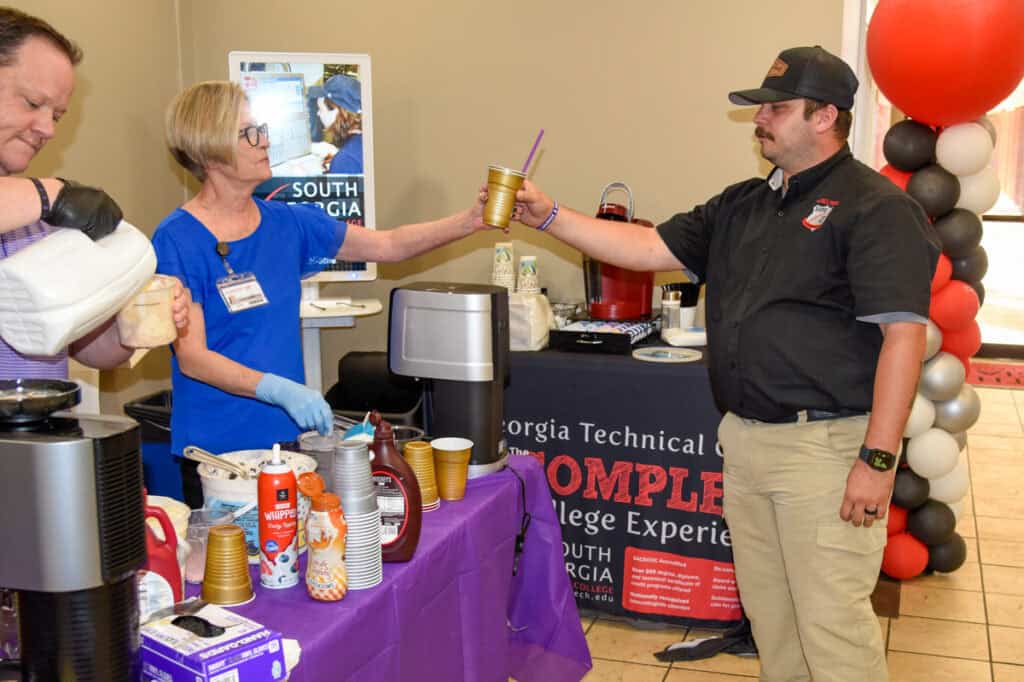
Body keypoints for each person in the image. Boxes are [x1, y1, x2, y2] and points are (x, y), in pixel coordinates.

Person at [515, 46, 938, 681]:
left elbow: (903, 337)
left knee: (832, 631)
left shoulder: (876, 208)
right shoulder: (745, 203)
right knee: (775, 624)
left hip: (825, 449)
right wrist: (550, 216)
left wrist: (878, 461)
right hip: (746, 440)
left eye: (776, 108)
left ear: (825, 117)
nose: (759, 119)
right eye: (760, 107)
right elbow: (646, 247)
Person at [154, 80, 497, 506]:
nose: (265, 141)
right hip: (218, 457)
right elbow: (192, 356)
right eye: (249, 133)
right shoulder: (178, 239)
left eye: (261, 129)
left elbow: (388, 245)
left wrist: (469, 221)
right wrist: (277, 389)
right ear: (209, 151)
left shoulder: (288, 223)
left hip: (287, 446)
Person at [0, 6, 188, 379]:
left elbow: (89, 347)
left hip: (40, 417)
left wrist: (137, 320)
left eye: (57, 116)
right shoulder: (44, 200)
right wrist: (53, 195)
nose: (48, 129)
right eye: (33, 103)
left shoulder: (38, 223)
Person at [309, 73, 363, 175]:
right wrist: (337, 153)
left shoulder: (346, 160)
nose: (318, 114)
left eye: (320, 109)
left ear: (337, 112)